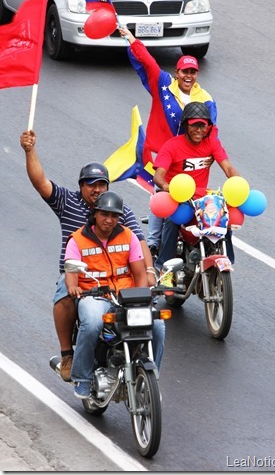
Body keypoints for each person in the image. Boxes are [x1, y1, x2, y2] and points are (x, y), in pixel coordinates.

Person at [20, 130, 161, 382]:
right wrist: (30, 151)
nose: (97, 189)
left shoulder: (119, 210)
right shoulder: (66, 201)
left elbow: (140, 243)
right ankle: (67, 355)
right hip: (79, 274)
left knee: (154, 318)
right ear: (81, 186)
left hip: (116, 273)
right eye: (91, 184)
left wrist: (149, 272)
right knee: (64, 292)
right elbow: (40, 182)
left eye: (101, 185)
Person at [118, 26, 217, 258]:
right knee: (160, 195)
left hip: (190, 160)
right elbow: (149, 62)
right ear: (177, 72)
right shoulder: (163, 85)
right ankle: (153, 244)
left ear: (197, 74)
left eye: (193, 72)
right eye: (184, 72)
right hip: (163, 155)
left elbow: (212, 131)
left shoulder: (206, 99)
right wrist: (131, 39)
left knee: (193, 202)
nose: (188, 76)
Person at [65, 191, 152, 398]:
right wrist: (74, 287)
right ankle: (82, 378)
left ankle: (149, 374)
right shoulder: (77, 240)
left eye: (114, 216)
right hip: (94, 296)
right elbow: (71, 276)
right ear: (95, 214)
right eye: (105, 214)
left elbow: (140, 274)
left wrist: (141, 299)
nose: (109, 220)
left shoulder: (129, 237)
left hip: (125, 296)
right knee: (93, 321)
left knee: (156, 324)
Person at [152, 101, 240, 278]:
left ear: (208, 127)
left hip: (202, 198)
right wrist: (168, 187)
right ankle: (165, 269)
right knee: (173, 220)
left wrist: (238, 184)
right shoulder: (172, 146)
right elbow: (158, 176)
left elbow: (228, 168)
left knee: (225, 216)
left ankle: (227, 258)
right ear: (186, 125)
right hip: (178, 197)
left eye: (203, 126)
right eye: (194, 126)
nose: (199, 130)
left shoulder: (212, 144)